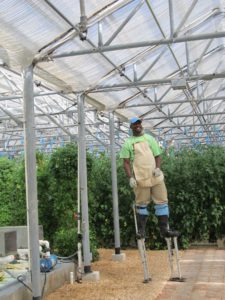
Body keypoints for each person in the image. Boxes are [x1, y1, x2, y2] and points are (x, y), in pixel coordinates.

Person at [120, 117, 179, 238]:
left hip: (155, 176)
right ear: (131, 127)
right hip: (140, 178)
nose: (137, 126)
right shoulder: (128, 142)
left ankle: (164, 230)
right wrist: (130, 177)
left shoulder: (150, 138)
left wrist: (158, 168)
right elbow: (126, 162)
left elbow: (157, 155)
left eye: (139, 123)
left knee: (162, 201)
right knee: (141, 204)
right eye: (135, 124)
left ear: (141, 125)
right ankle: (141, 232)